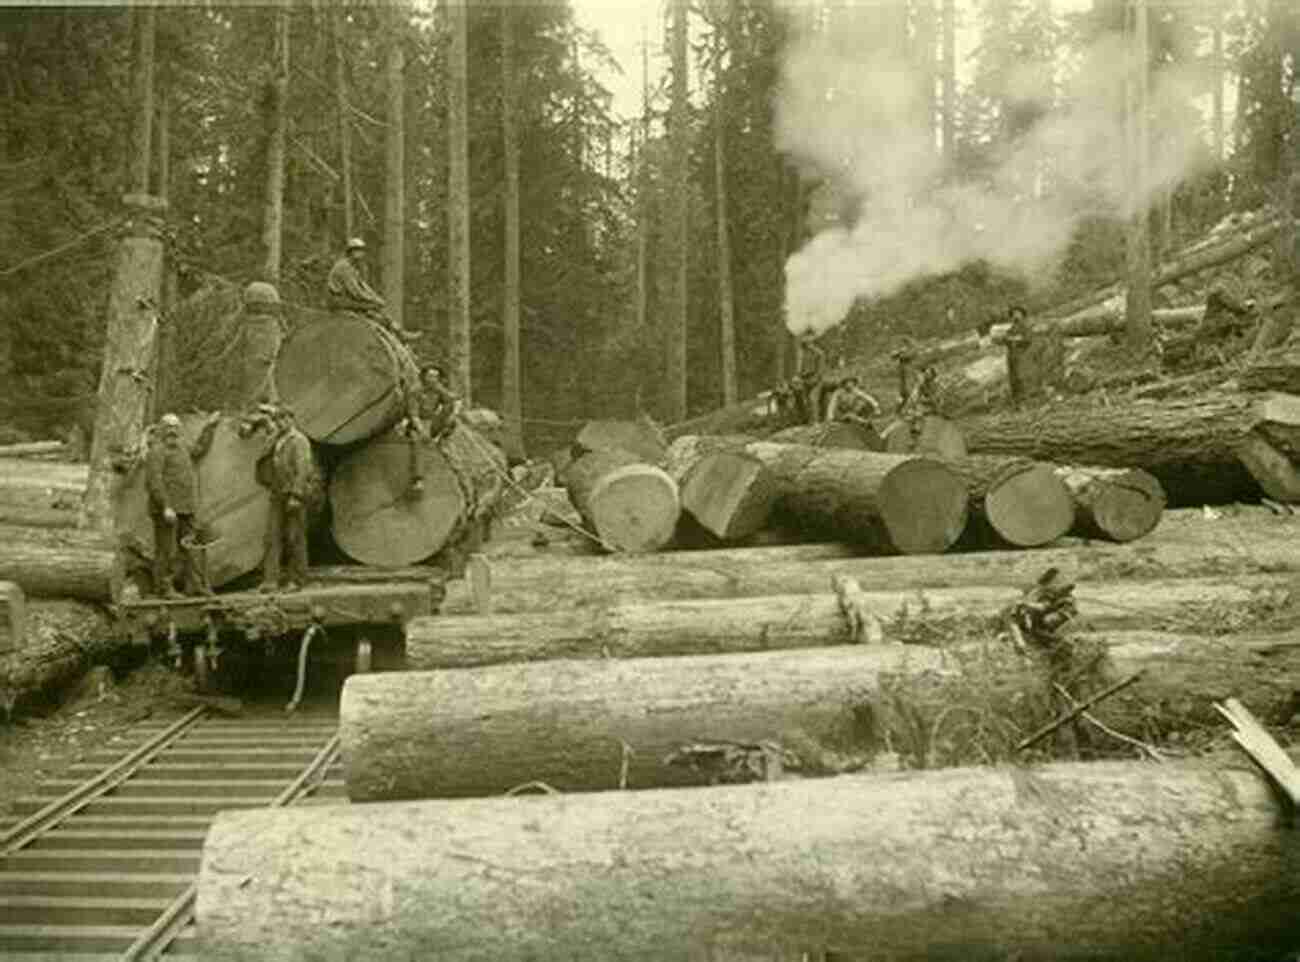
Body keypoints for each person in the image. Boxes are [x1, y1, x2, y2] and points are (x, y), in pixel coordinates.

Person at [145, 413, 214, 598]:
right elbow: (154, 482)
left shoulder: (183, 447)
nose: (172, 431)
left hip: (186, 508)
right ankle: (164, 588)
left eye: (176, 427)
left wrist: (209, 427)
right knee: (166, 550)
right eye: (168, 427)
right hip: (166, 510)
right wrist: (166, 506)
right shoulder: (156, 452)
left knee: (191, 548)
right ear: (161, 430)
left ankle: (196, 585)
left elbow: (199, 449)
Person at [254, 405, 319, 593]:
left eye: (284, 419)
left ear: (292, 419)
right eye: (278, 419)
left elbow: (303, 469)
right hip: (277, 493)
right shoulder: (277, 439)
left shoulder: (299, 440)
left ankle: (297, 580)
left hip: (293, 494)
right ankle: (270, 580)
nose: (281, 423)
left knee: (294, 537)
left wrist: (297, 495)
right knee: (271, 537)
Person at [327, 238, 423, 341]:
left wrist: (376, 298)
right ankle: (398, 332)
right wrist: (373, 301)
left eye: (361, 250)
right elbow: (356, 291)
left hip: (346, 299)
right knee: (374, 309)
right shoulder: (344, 267)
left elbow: (364, 287)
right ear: (351, 251)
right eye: (357, 250)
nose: (360, 253)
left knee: (376, 307)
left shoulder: (352, 268)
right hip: (340, 301)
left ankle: (397, 331)